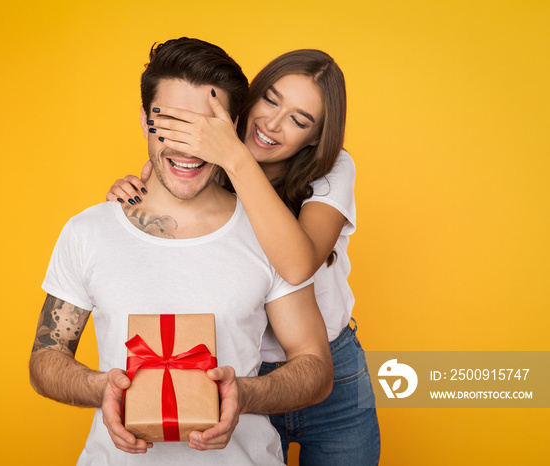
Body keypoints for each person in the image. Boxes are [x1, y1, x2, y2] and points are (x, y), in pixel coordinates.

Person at [29, 37, 334, 466]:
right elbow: (47, 356)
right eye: (170, 121)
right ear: (143, 119)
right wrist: (104, 388)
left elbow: (316, 367)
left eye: (205, 128)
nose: (188, 146)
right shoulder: (88, 231)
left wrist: (245, 393)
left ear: (232, 130)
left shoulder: (271, 235)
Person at [107, 49, 380, 465]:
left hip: (332, 371)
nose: (272, 124)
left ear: (314, 139)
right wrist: (129, 195)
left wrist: (234, 156)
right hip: (240, 373)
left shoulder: (333, 168)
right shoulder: (202, 162)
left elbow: (298, 264)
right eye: (270, 100)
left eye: (299, 120)